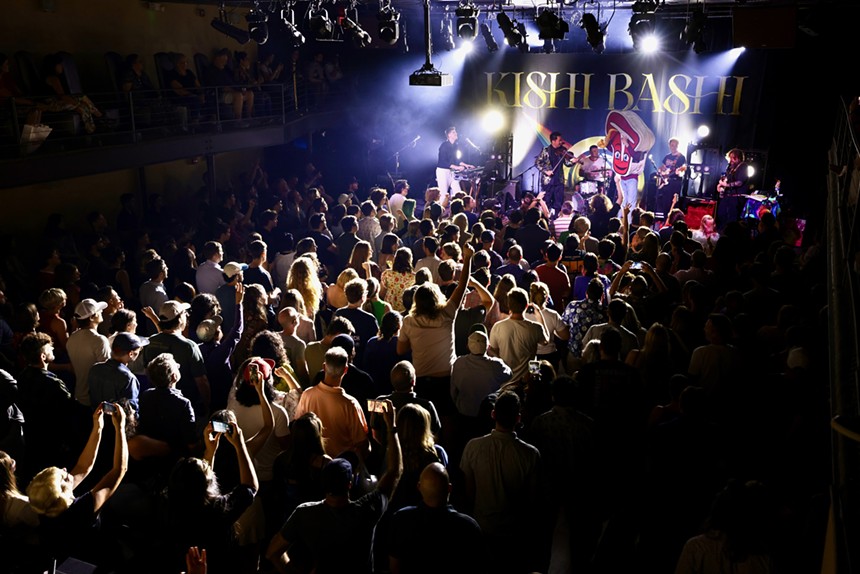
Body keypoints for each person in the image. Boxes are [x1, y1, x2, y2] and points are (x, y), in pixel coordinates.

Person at [266, 396, 402, 574]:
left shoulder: (304, 513)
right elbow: (394, 472)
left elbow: (272, 552)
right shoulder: (367, 510)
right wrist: (392, 428)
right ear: (350, 484)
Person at [26, 403, 128, 569]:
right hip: (93, 560)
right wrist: (121, 428)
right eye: (65, 477)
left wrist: (98, 427)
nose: (66, 470)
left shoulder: (46, 506)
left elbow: (83, 466)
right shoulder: (85, 509)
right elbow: (119, 470)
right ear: (63, 494)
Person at [460, 391, 541, 573]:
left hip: (481, 527)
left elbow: (469, 492)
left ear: (493, 414)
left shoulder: (473, 447)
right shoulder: (530, 454)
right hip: (514, 533)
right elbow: (531, 498)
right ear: (518, 418)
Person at [388, 462, 483, 574]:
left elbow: (395, 567)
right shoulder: (469, 527)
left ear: (419, 487)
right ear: (449, 488)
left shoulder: (401, 520)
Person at [293, 347, 369, 458]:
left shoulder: (307, 395)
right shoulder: (350, 404)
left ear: (324, 367)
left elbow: (297, 425)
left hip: (313, 464)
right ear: (345, 370)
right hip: (341, 466)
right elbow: (361, 442)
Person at [535, 131, 574, 215]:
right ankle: (546, 219)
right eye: (559, 140)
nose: (561, 142)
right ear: (553, 141)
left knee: (558, 203)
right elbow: (537, 163)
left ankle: (556, 219)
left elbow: (567, 163)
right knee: (547, 201)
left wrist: (573, 162)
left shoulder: (563, 150)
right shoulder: (546, 151)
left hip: (559, 181)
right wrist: (546, 171)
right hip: (548, 181)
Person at [436, 127, 474, 206]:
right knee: (444, 194)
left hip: (451, 172)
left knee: (458, 192)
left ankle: (456, 210)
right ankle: (440, 213)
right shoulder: (444, 146)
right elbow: (443, 161)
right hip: (443, 171)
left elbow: (457, 161)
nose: (456, 133)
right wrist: (456, 167)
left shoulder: (455, 146)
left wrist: (466, 165)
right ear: (449, 135)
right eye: (454, 132)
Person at [716, 148, 750, 229]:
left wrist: (726, 185)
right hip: (727, 195)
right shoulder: (730, 167)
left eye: (733, 158)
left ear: (738, 158)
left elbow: (740, 182)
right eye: (730, 157)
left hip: (736, 197)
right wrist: (720, 185)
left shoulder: (743, 166)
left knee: (732, 218)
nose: (731, 160)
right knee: (721, 214)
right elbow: (726, 179)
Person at [655, 137, 687, 216]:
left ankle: (673, 220)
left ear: (678, 146)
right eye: (672, 145)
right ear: (669, 145)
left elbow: (684, 167)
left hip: (675, 182)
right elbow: (663, 166)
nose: (673, 147)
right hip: (666, 182)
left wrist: (680, 170)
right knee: (665, 201)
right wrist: (660, 170)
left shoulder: (681, 157)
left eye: (675, 145)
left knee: (674, 202)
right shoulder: (667, 156)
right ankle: (666, 219)